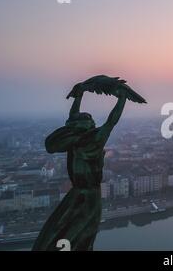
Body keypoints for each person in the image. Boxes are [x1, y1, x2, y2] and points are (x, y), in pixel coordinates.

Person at [32, 88, 127, 251]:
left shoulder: (82, 140)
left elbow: (107, 120)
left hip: (84, 194)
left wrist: (80, 96)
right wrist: (121, 99)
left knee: (66, 230)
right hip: (83, 194)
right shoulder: (87, 139)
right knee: (72, 232)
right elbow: (111, 121)